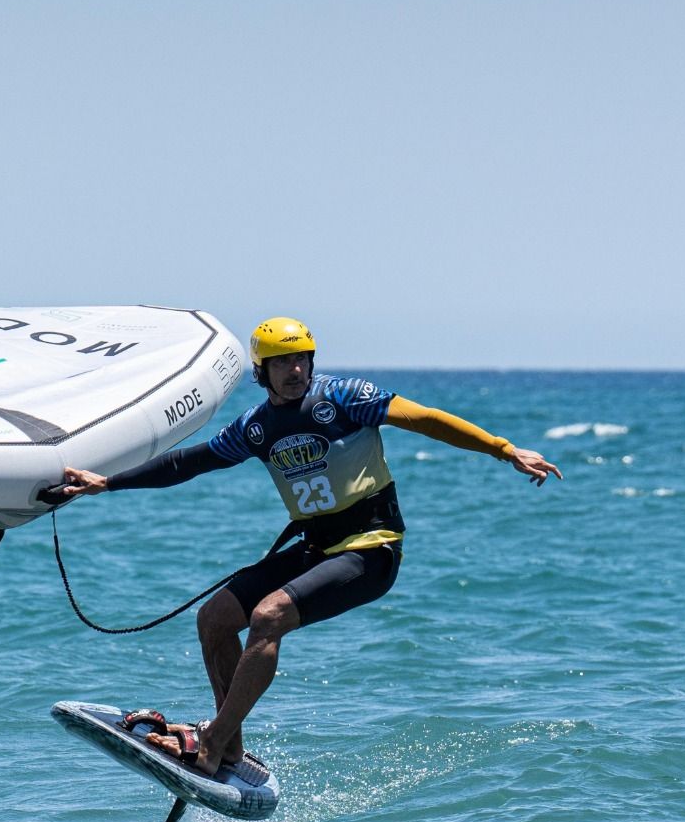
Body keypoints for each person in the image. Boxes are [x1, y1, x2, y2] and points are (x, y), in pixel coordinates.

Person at [44, 317, 562, 787]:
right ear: (261, 372)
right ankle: (228, 748)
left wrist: (504, 449)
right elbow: (190, 462)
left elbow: (424, 418)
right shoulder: (256, 427)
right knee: (215, 619)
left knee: (269, 615)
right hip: (315, 547)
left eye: (301, 360)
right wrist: (106, 483)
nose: (294, 370)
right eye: (281, 363)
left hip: (371, 549)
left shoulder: (345, 398)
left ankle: (212, 741)